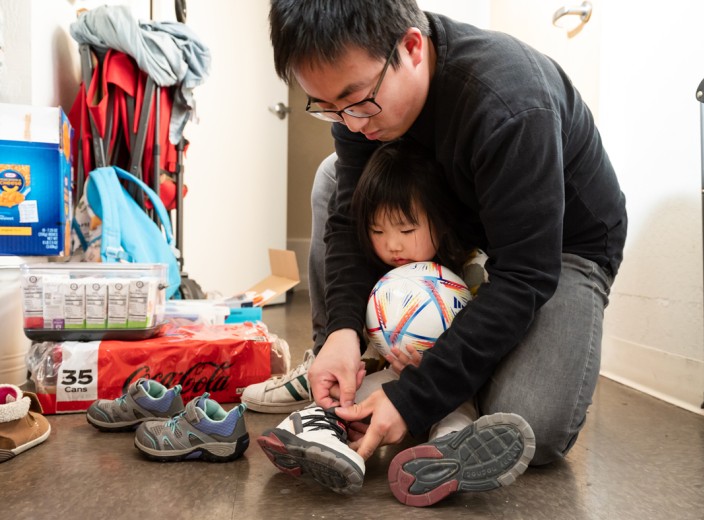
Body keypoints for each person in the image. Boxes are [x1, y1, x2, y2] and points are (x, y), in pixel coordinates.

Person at [257, 0, 627, 507]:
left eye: (357, 100)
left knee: (529, 426)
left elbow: (524, 274)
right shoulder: (358, 110)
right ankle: (341, 371)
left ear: (411, 47)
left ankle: (422, 387)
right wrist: (342, 327)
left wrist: (416, 396)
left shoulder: (509, 102)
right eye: (325, 106)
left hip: (560, 246)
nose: (350, 123)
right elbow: (348, 219)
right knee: (332, 179)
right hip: (453, 213)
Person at [258, 139, 535, 505]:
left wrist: (436, 366)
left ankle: (446, 454)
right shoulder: (377, 274)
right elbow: (365, 346)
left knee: (457, 408)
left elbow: (491, 334)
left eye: (406, 231)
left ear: (440, 219)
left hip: (450, 379)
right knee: (352, 394)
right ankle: (315, 434)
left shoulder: (473, 271)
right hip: (390, 378)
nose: (392, 246)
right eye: (377, 231)